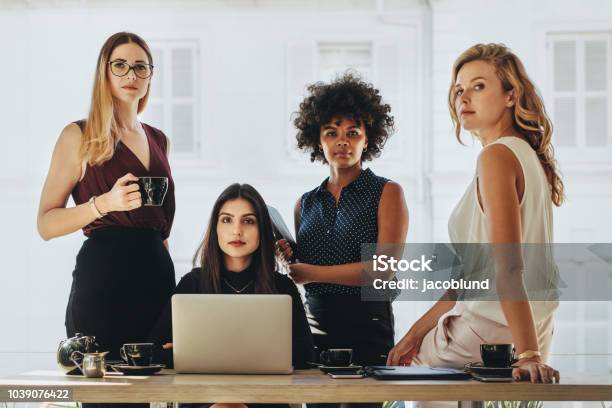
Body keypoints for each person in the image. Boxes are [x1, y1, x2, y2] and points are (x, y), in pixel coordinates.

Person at [387, 43, 562, 385]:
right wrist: (415, 332)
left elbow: (508, 267)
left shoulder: (495, 158)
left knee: (406, 382)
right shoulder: (526, 156)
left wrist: (528, 355)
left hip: (490, 328)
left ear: (511, 95)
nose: (464, 98)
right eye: (459, 90)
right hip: (533, 325)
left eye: (479, 86)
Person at [37, 32, 176, 392]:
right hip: (104, 281)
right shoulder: (78, 135)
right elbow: (46, 224)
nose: (131, 73)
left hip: (157, 280)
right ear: (105, 72)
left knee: (162, 391)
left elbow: (161, 229)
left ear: (150, 76)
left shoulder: (159, 139)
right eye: (120, 65)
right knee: (105, 394)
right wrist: (103, 204)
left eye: (140, 66)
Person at [279, 72, 408, 375]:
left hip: (368, 327)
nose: (342, 142)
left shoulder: (387, 193)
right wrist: (291, 255)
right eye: (331, 132)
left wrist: (308, 272)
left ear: (368, 139)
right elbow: (312, 263)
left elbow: (382, 269)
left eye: (353, 133)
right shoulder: (305, 203)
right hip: (314, 326)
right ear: (317, 138)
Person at [150, 183, 314, 408]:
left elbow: (305, 354)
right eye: (227, 219)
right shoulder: (193, 283)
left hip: (265, 398)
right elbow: (155, 351)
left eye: (248, 221)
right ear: (215, 227)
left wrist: (200, 353)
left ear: (262, 230)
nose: (237, 230)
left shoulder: (281, 286)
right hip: (204, 398)